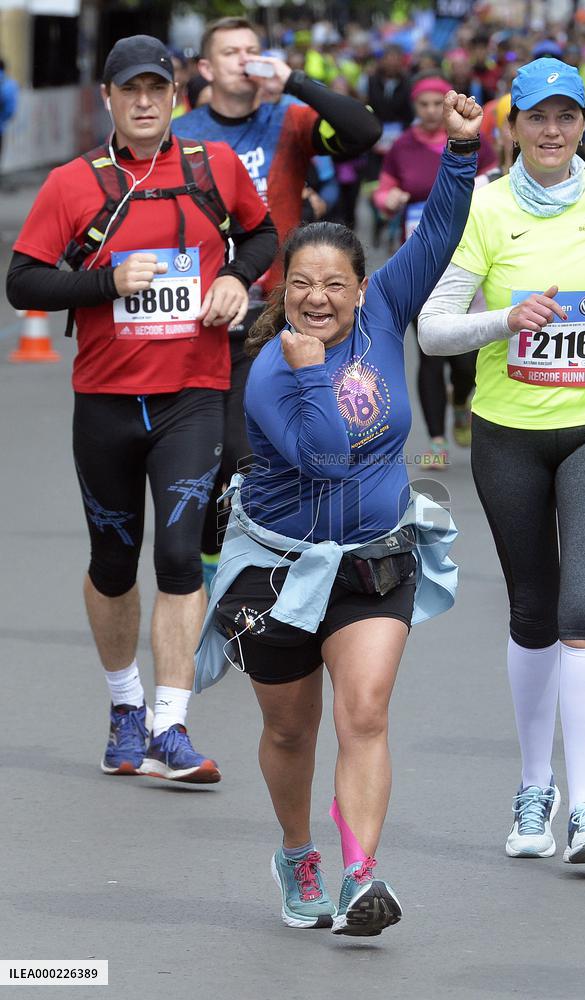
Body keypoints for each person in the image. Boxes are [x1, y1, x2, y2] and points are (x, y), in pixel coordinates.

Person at [194, 91, 482, 935]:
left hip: (371, 558)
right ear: (281, 291)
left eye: (334, 285)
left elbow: (437, 234)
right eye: (300, 285)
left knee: (364, 712)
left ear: (363, 287)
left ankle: (362, 878)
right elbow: (324, 454)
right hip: (278, 571)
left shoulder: (388, 309)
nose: (315, 299)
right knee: (291, 735)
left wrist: (461, 150)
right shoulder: (273, 374)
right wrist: (312, 367)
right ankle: (296, 851)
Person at [6, 35, 277, 782]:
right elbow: (23, 283)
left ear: (177, 95)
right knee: (113, 565)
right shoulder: (73, 184)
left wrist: (236, 278)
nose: (146, 101)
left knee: (181, 556)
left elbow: (261, 232)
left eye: (158, 88)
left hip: (193, 394)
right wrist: (107, 282)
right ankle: (124, 707)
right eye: (131, 90)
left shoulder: (211, 168)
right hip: (106, 402)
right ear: (108, 98)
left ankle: (169, 724)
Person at [418, 58, 585, 865]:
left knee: (584, 611)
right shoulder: (485, 207)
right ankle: (535, 789)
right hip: (508, 431)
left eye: (566, 117)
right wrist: (503, 319)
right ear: (512, 126)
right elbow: (431, 328)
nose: (552, 131)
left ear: (583, 127)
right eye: (536, 118)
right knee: (532, 613)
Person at [172, 16, 382, 590]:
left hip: (272, 314)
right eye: (231, 52)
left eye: (253, 49)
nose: (245, 59)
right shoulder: (183, 133)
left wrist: (294, 81)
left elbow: (364, 132)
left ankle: (263, 575)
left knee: (251, 452)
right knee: (200, 461)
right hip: (198, 317)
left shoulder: (288, 119)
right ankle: (214, 576)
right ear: (207, 69)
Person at [373, 72, 481, 467]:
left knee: (466, 356)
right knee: (430, 352)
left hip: (468, 260)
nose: (433, 111)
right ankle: (436, 441)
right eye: (425, 104)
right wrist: (390, 198)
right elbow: (382, 190)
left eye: (440, 103)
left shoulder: (470, 136)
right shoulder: (402, 146)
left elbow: (490, 181)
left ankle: (460, 400)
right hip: (420, 262)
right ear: (415, 107)